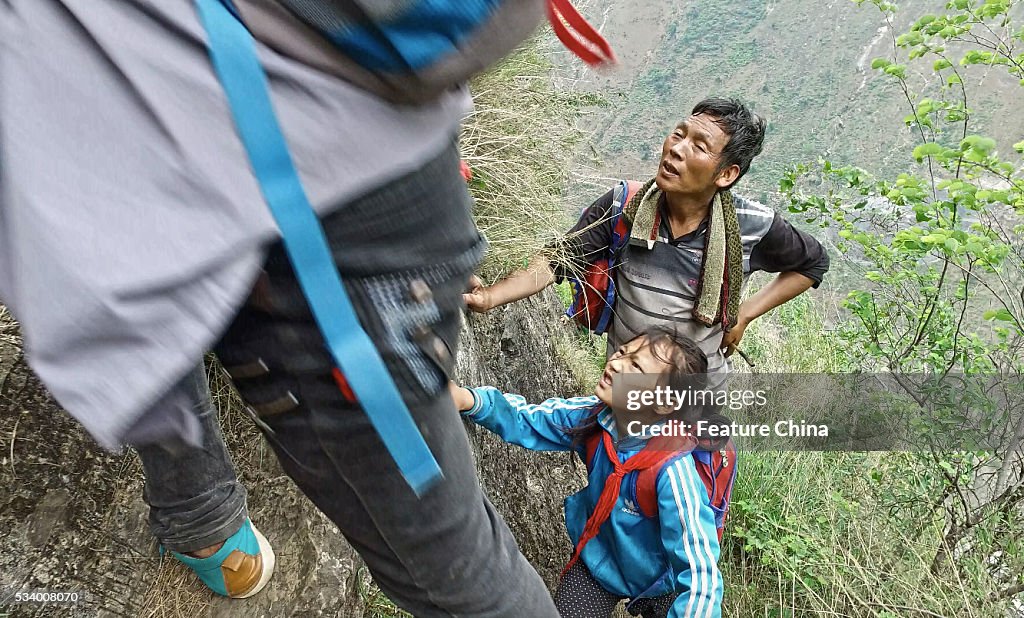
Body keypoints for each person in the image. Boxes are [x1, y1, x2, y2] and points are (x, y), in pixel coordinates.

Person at [0, 0, 565, 614]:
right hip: (379, 150)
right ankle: (200, 514)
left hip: (303, 202)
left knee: (456, 574)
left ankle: (203, 517)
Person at [464, 98, 830, 379]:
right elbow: (555, 261)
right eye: (679, 133)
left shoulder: (752, 226)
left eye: (700, 146)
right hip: (625, 393)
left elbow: (813, 263)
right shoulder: (625, 206)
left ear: (727, 174)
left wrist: (745, 315)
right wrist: (490, 296)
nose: (677, 148)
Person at [449, 326, 728, 618]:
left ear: (665, 403)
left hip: (661, 579)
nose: (616, 364)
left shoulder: (673, 472)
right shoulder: (594, 418)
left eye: (635, 366)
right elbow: (530, 418)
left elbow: (699, 572)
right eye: (622, 352)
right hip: (600, 561)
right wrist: (470, 400)